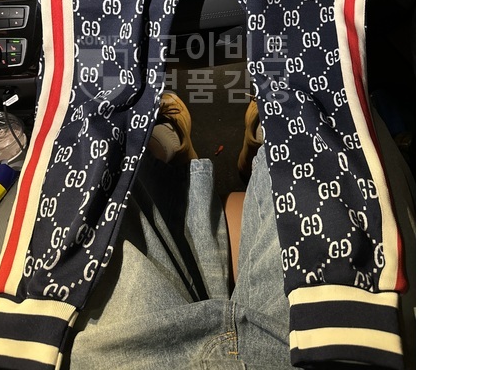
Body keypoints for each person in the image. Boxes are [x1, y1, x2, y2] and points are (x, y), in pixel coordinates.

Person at [63, 91, 416, 370]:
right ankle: (275, 135)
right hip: (332, 349)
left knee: (95, 191)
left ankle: (164, 160)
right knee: (326, 155)